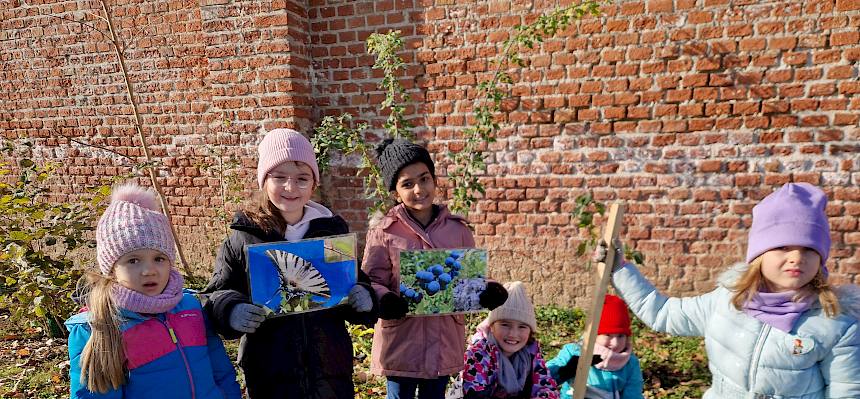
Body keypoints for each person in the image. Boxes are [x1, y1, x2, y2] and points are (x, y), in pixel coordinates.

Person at [605, 183, 860, 398]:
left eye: (809, 249)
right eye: (782, 247)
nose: (797, 257)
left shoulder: (836, 324)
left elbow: (847, 391)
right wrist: (620, 269)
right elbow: (663, 313)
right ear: (760, 254)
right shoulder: (728, 300)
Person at [200, 128, 377, 399]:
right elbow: (214, 294)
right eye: (279, 177)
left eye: (302, 179)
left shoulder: (330, 234)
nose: (290, 188)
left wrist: (363, 295)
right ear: (263, 181)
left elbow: (352, 282)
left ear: (314, 185)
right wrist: (231, 309)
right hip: (271, 372)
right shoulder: (244, 238)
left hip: (329, 372)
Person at [362, 138, 509, 399]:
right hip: (401, 341)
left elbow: (469, 276)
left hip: (443, 340)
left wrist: (486, 290)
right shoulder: (384, 232)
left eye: (424, 178)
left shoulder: (457, 229)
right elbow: (372, 279)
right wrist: (385, 299)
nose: (419, 189)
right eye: (407, 184)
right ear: (395, 191)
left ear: (434, 179)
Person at [66, 183, 241, 398]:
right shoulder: (99, 327)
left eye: (159, 259)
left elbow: (220, 370)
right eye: (133, 261)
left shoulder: (192, 308)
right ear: (111, 269)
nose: (149, 271)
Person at [462, 281, 559, 399]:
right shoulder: (479, 353)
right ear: (491, 326)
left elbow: (546, 387)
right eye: (505, 324)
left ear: (530, 331)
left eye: (522, 326)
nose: (513, 334)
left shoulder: (531, 353)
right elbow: (474, 394)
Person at [546, 294, 643, 399]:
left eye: (620, 336)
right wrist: (565, 370)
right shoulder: (574, 352)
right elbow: (543, 377)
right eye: (607, 335)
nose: (615, 343)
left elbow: (633, 395)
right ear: (593, 335)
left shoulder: (629, 363)